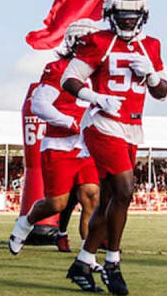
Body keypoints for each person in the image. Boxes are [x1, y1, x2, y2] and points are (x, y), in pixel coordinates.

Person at [62, 0, 167, 296]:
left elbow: (161, 93)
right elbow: (70, 78)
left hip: (133, 127)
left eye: (132, 16)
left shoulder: (152, 45)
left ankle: (82, 263)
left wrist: (153, 76)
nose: (126, 21)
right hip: (103, 123)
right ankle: (112, 262)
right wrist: (95, 96)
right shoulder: (97, 41)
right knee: (125, 190)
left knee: (109, 201)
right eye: (121, 15)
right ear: (110, 13)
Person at [9, 19, 101, 255]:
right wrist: (69, 121)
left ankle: (87, 256)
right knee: (56, 203)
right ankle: (26, 222)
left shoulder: (100, 73)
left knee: (91, 197)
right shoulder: (58, 68)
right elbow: (39, 104)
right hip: (60, 144)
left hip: (87, 146)